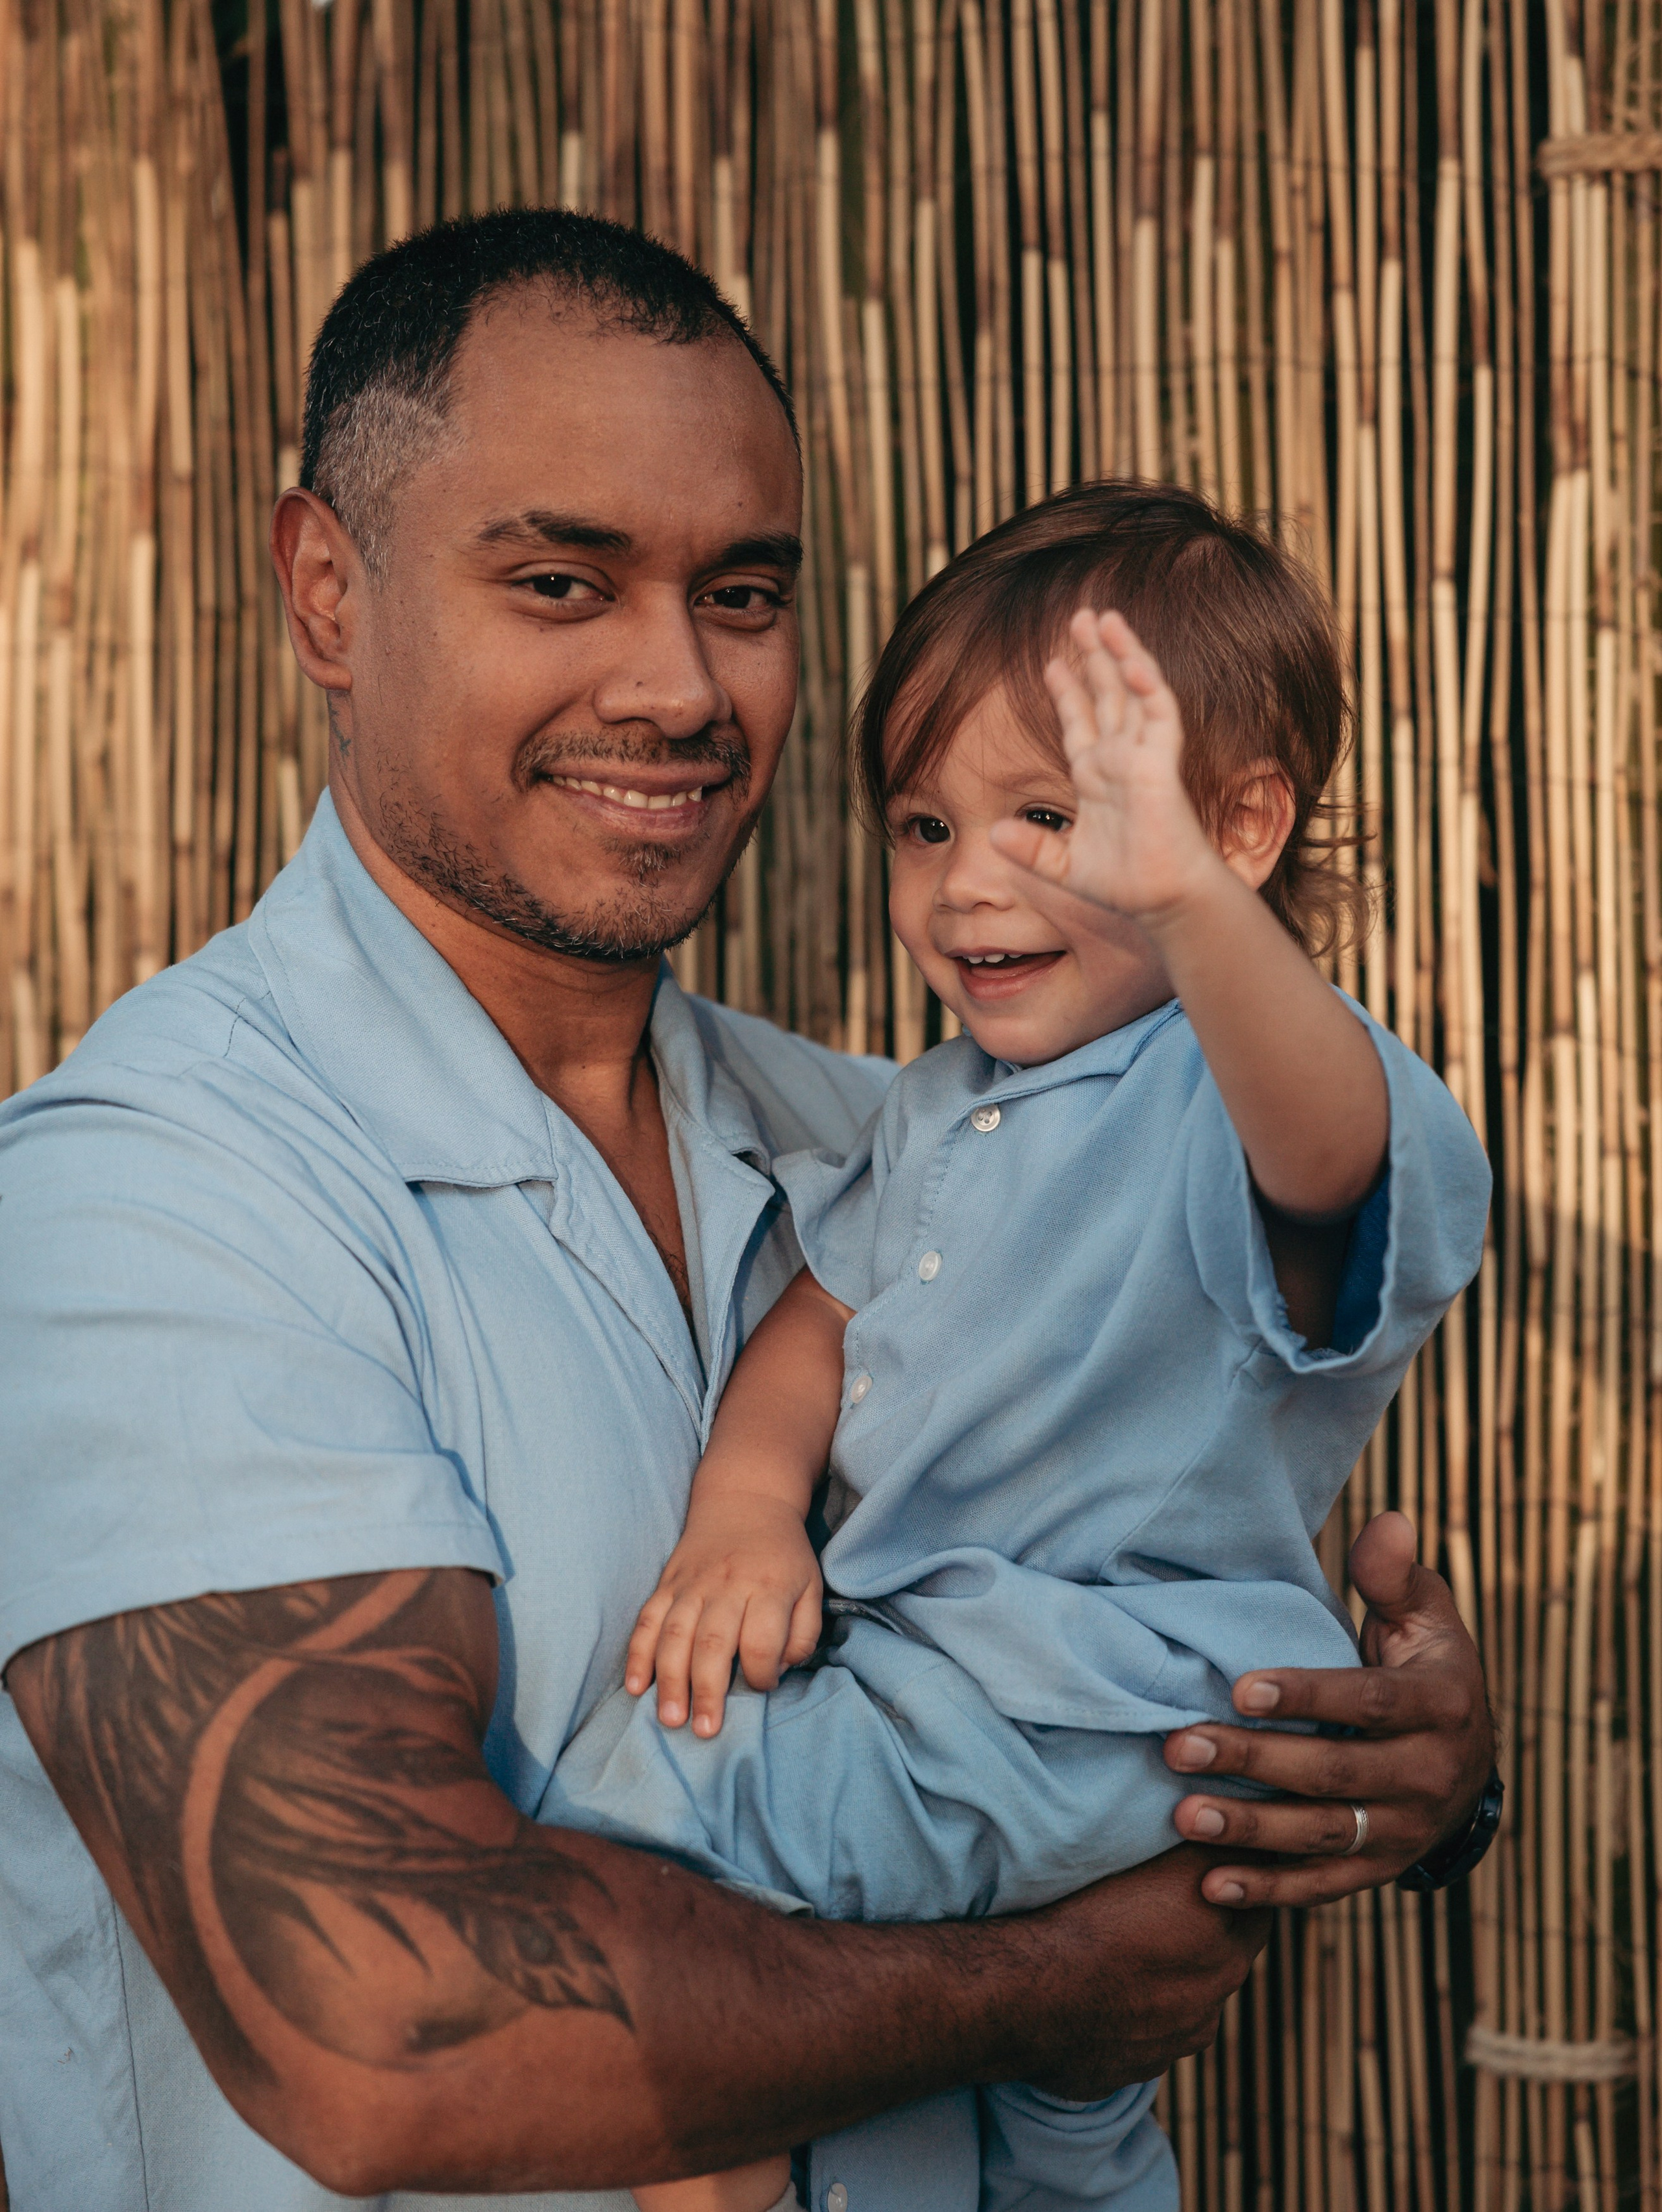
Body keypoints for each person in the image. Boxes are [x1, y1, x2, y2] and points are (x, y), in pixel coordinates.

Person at [0, 211, 1496, 2212]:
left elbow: (1166, 1493)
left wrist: (1394, 1784)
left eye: (746, 592)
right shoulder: (149, 1202)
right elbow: (384, 2034)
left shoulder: (899, 1138)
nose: (682, 686)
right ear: (328, 591)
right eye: (561, 580)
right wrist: (1058, 1978)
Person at [540, 485, 1491, 2212]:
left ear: (1242, 829)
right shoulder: (934, 1108)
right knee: (1063, 2110)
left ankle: (704, 2183)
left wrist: (1198, 913)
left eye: (1053, 819)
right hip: (1021, 1713)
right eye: (922, 826)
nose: (966, 884)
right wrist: (747, 1506)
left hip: (1084, 1693)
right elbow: (820, 1319)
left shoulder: (1233, 1083)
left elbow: (1333, 1149)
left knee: (648, 1850)